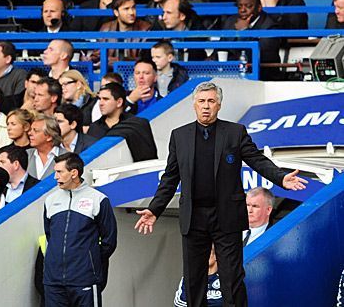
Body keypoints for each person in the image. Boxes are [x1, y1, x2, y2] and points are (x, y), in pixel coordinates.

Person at [134, 82, 308, 306]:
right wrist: (155, 209)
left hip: (226, 217)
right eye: (201, 101)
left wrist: (280, 177)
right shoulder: (179, 135)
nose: (206, 106)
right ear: (194, 105)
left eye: (211, 101)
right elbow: (170, 178)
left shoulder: (235, 132)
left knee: (232, 280)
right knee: (193, 281)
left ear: (219, 105)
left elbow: (256, 159)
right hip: (193, 218)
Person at [43, 152, 117, 306]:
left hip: (85, 279)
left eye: (59, 172)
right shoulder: (50, 200)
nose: (55, 177)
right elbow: (50, 235)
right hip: (53, 281)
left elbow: (109, 241)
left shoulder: (98, 199)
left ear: (74, 173)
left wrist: (89, 262)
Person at [221, 0, 283, 81]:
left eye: (248, 6)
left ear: (259, 8)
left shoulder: (270, 26)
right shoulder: (231, 21)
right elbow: (221, 46)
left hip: (264, 77)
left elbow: (257, 55)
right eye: (240, 6)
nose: (243, 10)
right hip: (233, 74)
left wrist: (244, 31)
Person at [98, 0, 151, 66]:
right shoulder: (106, 28)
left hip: (135, 71)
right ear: (116, 12)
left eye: (133, 7)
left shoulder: (145, 28)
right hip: (110, 73)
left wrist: (120, 60)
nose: (131, 12)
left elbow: (146, 58)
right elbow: (97, 55)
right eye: (126, 9)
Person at [26, 114, 67, 180]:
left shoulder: (67, 157)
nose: (29, 133)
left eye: (35, 130)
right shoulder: (26, 155)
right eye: (31, 130)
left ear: (49, 136)